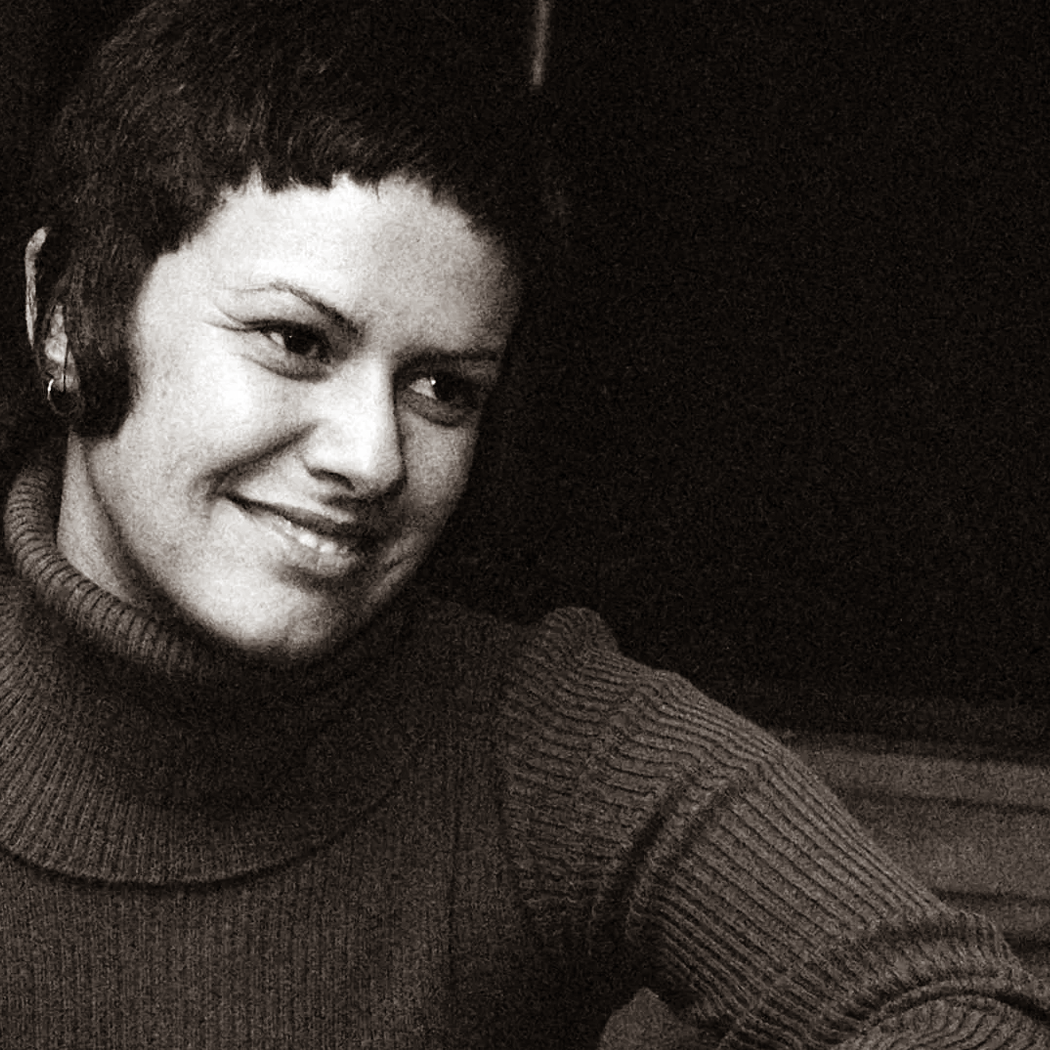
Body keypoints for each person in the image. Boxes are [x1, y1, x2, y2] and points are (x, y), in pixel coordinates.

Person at [1, 0, 1047, 1047]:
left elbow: (962, 1018)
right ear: (64, 312)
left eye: (442, 389)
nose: (372, 458)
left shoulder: (544, 746)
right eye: (295, 340)